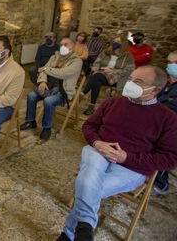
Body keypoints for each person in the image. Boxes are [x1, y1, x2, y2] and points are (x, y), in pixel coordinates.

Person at [57, 66, 177, 241]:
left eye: (138, 82)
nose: (130, 84)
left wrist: (127, 157)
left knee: (88, 187)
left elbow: (170, 159)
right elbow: (89, 126)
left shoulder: (168, 119)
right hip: (98, 151)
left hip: (132, 166)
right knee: (90, 184)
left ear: (155, 90)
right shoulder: (113, 102)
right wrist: (97, 142)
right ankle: (83, 230)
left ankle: (70, 233)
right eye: (130, 78)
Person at [20, 38, 82, 141]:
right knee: (31, 95)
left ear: (73, 47)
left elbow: (63, 73)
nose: (63, 47)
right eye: (61, 44)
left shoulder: (77, 61)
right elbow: (43, 72)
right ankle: (30, 121)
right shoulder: (54, 57)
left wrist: (45, 69)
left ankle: (47, 128)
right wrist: (43, 82)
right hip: (49, 86)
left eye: (66, 44)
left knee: (48, 101)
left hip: (63, 91)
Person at [81, 33, 135, 115]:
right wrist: (98, 69)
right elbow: (96, 63)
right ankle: (91, 105)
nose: (115, 43)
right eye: (115, 41)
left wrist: (113, 71)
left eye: (118, 41)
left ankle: (83, 94)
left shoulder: (128, 56)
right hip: (102, 74)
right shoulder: (105, 52)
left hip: (118, 78)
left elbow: (129, 70)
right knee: (97, 81)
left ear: (124, 44)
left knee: (96, 77)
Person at [153, 51, 177, 195]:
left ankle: (161, 184)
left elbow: (169, 110)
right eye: (169, 62)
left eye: (175, 63)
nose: (171, 65)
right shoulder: (167, 84)